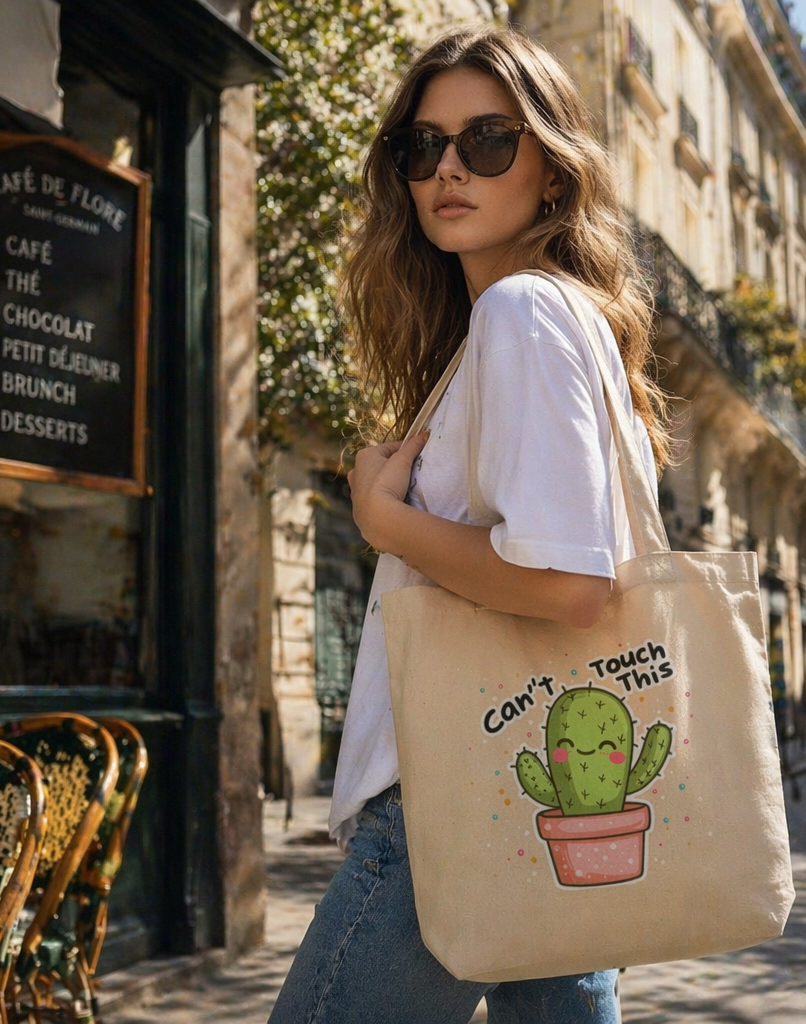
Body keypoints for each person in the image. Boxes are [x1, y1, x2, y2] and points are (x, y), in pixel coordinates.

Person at [267, 27, 671, 1024]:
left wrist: (382, 519)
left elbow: (574, 586)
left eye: (488, 140)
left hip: (457, 795)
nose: (448, 166)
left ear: (550, 172)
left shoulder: (523, 315)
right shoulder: (558, 317)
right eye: (423, 146)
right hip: (547, 796)